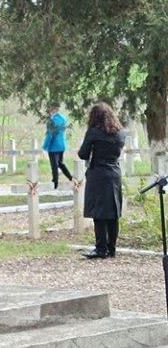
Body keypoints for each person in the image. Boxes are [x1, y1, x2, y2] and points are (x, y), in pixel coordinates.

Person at [77, 102, 126, 259]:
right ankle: (112, 248)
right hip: (115, 174)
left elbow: (83, 154)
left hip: (98, 173)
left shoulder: (94, 133)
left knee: (99, 212)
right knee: (113, 212)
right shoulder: (120, 133)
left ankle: (100, 248)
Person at [43, 103, 73, 189]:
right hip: (62, 144)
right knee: (60, 163)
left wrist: (45, 147)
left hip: (53, 145)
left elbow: (49, 135)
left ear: (51, 110)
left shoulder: (52, 121)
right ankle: (71, 177)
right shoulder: (63, 119)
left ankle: (55, 182)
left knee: (54, 165)